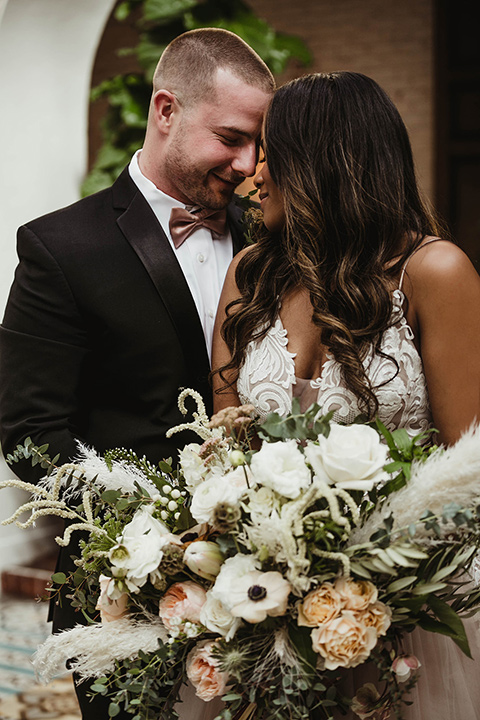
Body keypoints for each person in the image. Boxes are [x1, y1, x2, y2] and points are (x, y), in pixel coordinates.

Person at [0, 28, 274, 719]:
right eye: (231, 137)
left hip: (272, 586)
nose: (246, 164)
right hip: (124, 595)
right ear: (164, 110)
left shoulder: (272, 238)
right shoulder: (59, 246)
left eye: (257, 146)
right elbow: (28, 432)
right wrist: (153, 533)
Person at [212, 72, 480, 719]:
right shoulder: (250, 275)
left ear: (323, 163)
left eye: (272, 152)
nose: (253, 171)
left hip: (405, 613)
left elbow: (470, 469)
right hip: (267, 607)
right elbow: (219, 451)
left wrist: (364, 575)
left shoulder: (435, 273)